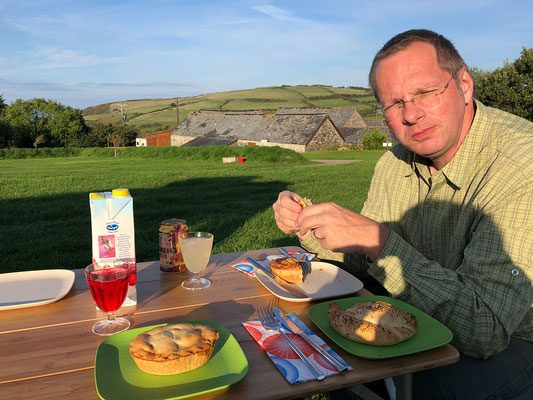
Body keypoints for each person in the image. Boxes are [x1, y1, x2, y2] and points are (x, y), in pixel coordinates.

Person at [273, 29, 533, 399]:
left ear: (464, 85)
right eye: (394, 104)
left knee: (419, 387)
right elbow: (363, 261)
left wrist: (377, 241)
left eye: (426, 92)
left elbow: (486, 329)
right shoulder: (394, 162)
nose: (411, 114)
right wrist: (311, 224)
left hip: (516, 341)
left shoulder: (521, 166)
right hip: (416, 317)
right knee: (333, 354)